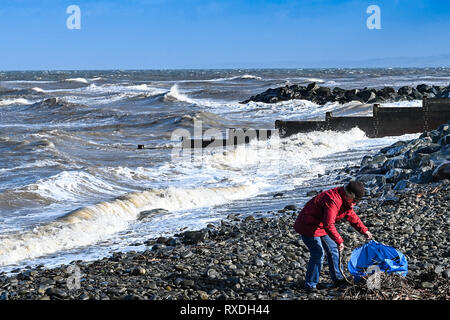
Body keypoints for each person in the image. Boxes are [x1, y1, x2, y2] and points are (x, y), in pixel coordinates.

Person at [293, 180, 373, 290]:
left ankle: (338, 280)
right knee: (318, 254)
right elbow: (329, 224)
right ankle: (310, 284)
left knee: (333, 250)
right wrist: (339, 240)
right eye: (355, 199)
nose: (355, 202)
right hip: (308, 225)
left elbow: (350, 215)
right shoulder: (333, 200)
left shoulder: (346, 200)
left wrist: (364, 230)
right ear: (349, 194)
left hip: (320, 225)